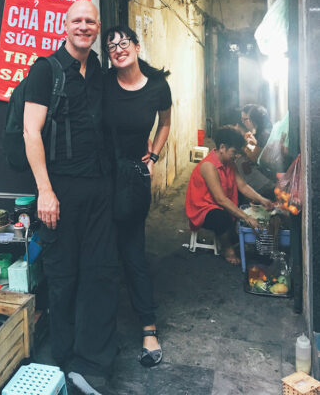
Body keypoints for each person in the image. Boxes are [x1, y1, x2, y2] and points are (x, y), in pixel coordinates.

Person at [23, 0, 118, 395]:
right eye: (77, 20)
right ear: (65, 26)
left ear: (97, 28)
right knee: (63, 276)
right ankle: (63, 357)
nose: (84, 26)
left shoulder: (98, 70)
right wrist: (45, 191)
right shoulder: (46, 70)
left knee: (98, 274)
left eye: (90, 21)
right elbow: (32, 133)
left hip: (99, 189)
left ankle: (93, 359)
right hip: (59, 190)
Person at [102, 25, 172, 369]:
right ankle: (100, 333)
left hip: (132, 177)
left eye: (123, 41)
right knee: (100, 252)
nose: (118, 48)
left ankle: (148, 328)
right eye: (111, 45)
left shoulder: (157, 85)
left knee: (132, 252)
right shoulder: (102, 83)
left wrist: (154, 156)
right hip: (100, 177)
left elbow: (165, 123)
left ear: (136, 45)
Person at [185, 125, 273, 265]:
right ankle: (227, 250)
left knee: (245, 204)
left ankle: (231, 235)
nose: (236, 155)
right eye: (234, 151)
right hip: (203, 209)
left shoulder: (229, 163)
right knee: (223, 218)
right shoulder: (209, 166)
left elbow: (243, 186)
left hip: (220, 204)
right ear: (222, 147)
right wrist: (247, 217)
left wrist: (262, 200)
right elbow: (220, 199)